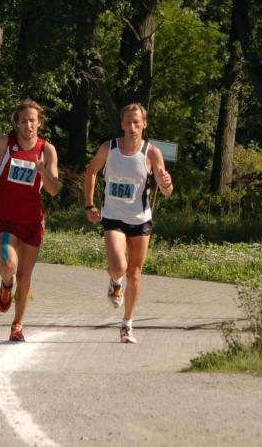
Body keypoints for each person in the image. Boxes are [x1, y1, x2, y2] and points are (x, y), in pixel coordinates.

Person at [83, 103, 173, 344]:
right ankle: (115, 282)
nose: (132, 127)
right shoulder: (109, 148)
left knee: (135, 274)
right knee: (119, 267)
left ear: (144, 124)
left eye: (137, 122)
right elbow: (91, 172)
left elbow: (166, 191)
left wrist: (166, 183)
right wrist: (89, 205)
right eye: (128, 122)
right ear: (122, 124)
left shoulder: (151, 152)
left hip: (140, 220)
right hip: (113, 217)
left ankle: (127, 324)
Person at [0, 100, 60, 342]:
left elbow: (54, 189)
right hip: (5, 217)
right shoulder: (4, 143)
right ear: (17, 122)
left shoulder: (47, 150)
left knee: (24, 277)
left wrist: (42, 172)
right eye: (23, 120)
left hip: (32, 220)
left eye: (32, 120)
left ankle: (17, 325)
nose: (28, 125)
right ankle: (6, 285)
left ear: (40, 123)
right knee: (8, 264)